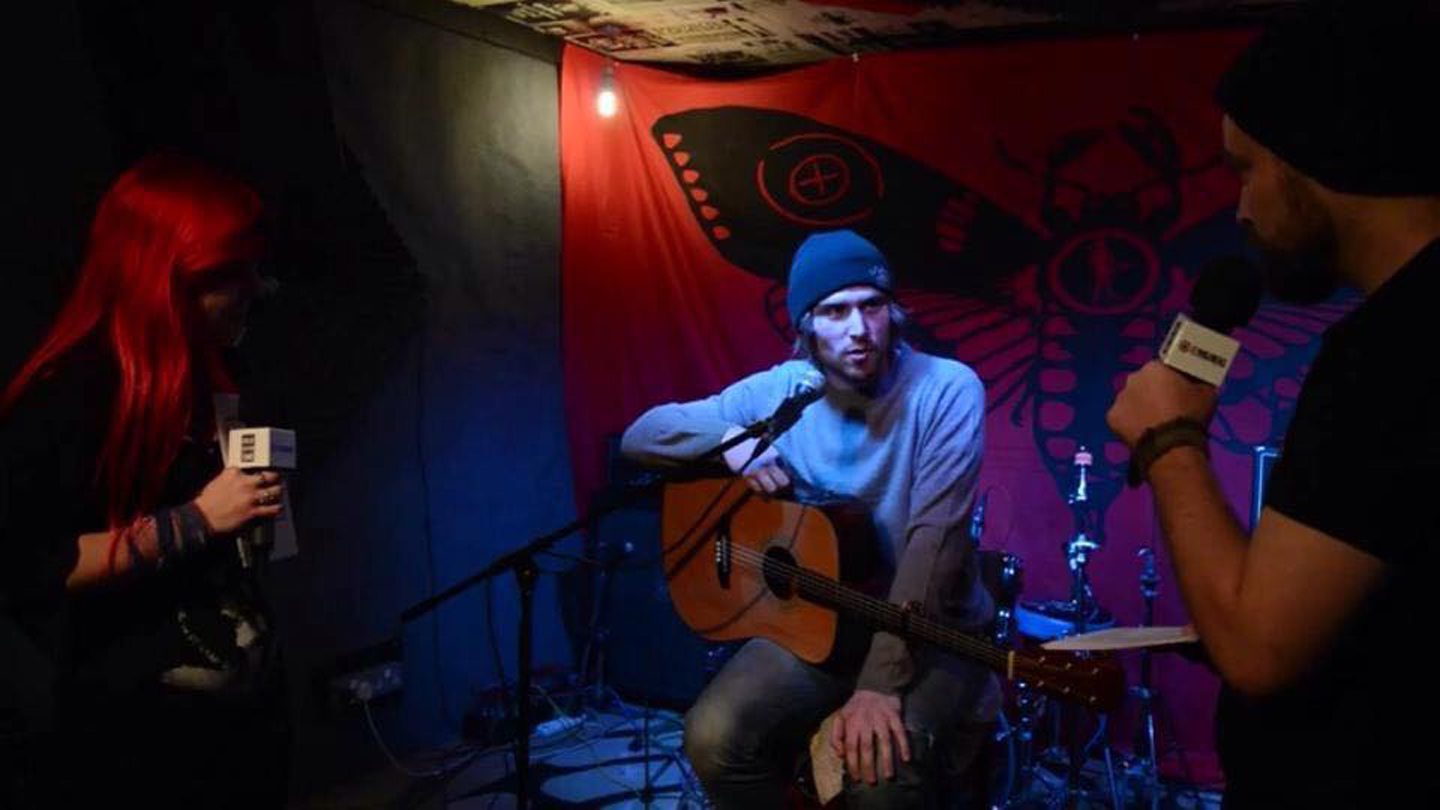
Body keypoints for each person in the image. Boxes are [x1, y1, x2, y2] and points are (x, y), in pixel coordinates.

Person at [1106, 3, 1440, 806]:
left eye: (1245, 170)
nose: (1241, 209)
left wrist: (1169, 437)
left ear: (1315, 156)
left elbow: (1258, 646)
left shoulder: (1396, 351)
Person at [622, 229, 998, 808]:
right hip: (819, 627)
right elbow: (641, 436)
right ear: (806, 325)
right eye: (834, 311)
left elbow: (934, 546)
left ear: (893, 312)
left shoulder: (946, 389)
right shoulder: (784, 391)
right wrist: (728, 440)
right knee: (711, 738)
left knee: (879, 783)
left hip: (932, 635)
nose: (858, 329)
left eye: (872, 306)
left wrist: (879, 686)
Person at [0, 153, 291, 807]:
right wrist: (196, 521)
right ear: (172, 275)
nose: (255, 287)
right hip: (140, 737)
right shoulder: (74, 392)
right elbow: (29, 568)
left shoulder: (214, 375)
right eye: (232, 271)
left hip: (242, 719)